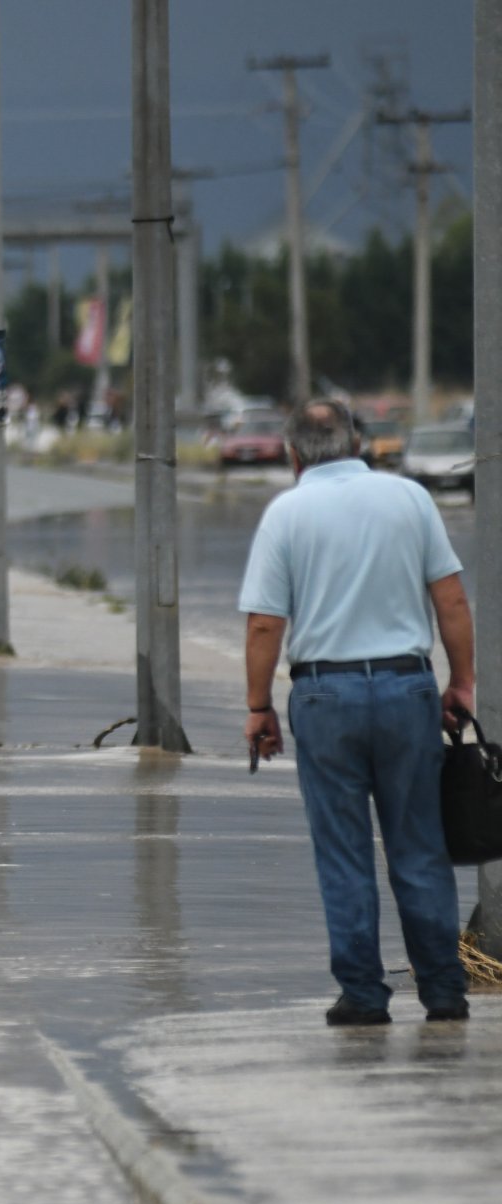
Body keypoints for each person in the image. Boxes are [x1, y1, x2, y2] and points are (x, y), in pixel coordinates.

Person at [240, 400, 473, 1026]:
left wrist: (259, 706)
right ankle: (444, 991)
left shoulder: (286, 513)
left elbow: (266, 623)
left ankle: (366, 996)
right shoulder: (410, 500)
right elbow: (449, 598)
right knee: (420, 846)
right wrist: (464, 684)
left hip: (326, 696)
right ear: (359, 442)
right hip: (407, 690)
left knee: (342, 851)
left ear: (292, 456)